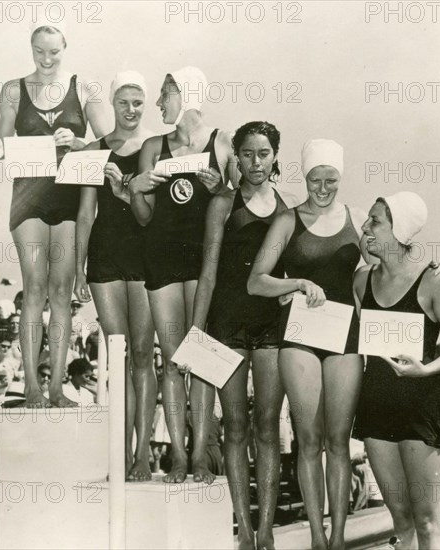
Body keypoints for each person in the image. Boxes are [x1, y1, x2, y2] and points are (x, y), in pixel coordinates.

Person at [247, 139, 369, 550]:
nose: (322, 188)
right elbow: (256, 280)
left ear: (341, 177)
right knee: (309, 439)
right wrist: (296, 282)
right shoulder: (288, 220)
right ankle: (317, 536)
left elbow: (393, 259)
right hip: (299, 335)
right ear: (304, 177)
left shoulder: (358, 219)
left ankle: (337, 538)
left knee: (339, 441)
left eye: (330, 180)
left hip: (344, 335)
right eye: (315, 180)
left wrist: (434, 268)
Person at [0, 19, 108, 407]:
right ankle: (33, 389)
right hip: (29, 197)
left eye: (54, 51)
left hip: (69, 196)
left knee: (61, 291)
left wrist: (78, 140)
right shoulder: (12, 89)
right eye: (39, 51)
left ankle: (56, 388)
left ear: (65, 47)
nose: (46, 58)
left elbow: (109, 142)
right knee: (34, 288)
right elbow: (4, 140)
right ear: (30, 49)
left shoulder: (83, 87)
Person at [128, 66, 240, 484]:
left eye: (164, 95)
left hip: (203, 263)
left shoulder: (222, 142)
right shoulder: (153, 147)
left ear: (187, 94)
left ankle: (199, 457)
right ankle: (177, 455)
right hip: (161, 261)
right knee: (174, 360)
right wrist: (138, 189)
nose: (158, 103)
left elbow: (238, 204)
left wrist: (221, 189)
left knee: (202, 360)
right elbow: (143, 218)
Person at [187, 121, 296, 548]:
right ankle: (245, 532)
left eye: (264, 154)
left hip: (271, 328)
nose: (256, 163)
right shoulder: (222, 204)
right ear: (236, 157)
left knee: (267, 427)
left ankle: (267, 530)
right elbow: (208, 273)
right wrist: (196, 332)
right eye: (247, 154)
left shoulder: (288, 209)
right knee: (234, 426)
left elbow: (290, 273)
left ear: (275, 157)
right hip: (227, 324)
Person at [352, 192, 440, 550]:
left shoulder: (434, 281)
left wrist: (425, 370)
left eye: (376, 221)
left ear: (399, 231)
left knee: (426, 521)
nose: (366, 226)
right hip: (376, 407)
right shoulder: (361, 282)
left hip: (421, 407)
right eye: (368, 220)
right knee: (400, 519)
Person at [74, 71, 156, 480]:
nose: (130, 110)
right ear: (112, 104)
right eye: (122, 102)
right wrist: (77, 268)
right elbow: (85, 213)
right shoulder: (93, 150)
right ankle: (120, 456)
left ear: (146, 103)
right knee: (118, 356)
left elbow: (157, 213)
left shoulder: (157, 147)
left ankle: (143, 454)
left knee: (143, 355)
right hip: (105, 258)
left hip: (144, 258)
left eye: (137, 102)